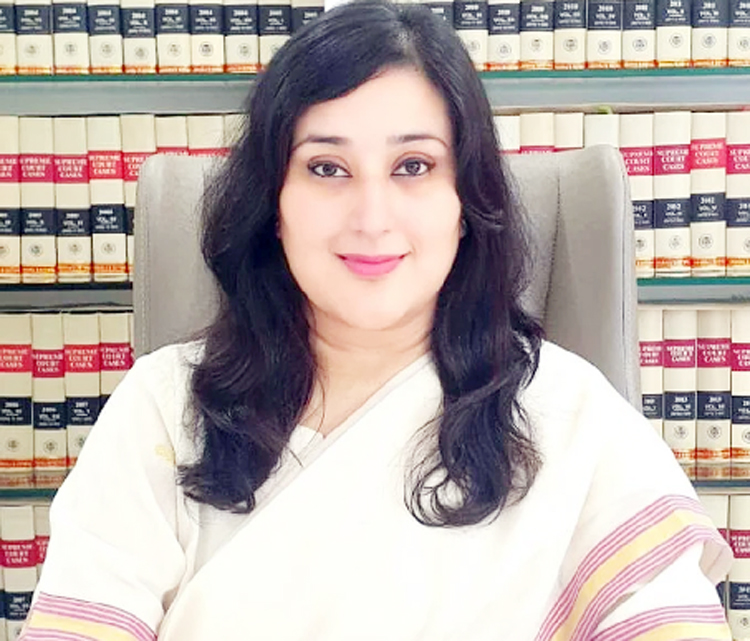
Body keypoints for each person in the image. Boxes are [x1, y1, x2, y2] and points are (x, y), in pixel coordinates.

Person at [20, 2, 732, 639]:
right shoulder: (164, 408)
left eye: (413, 166)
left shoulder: (570, 420)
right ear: (274, 204)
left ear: (465, 202)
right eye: (327, 168)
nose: (371, 218)